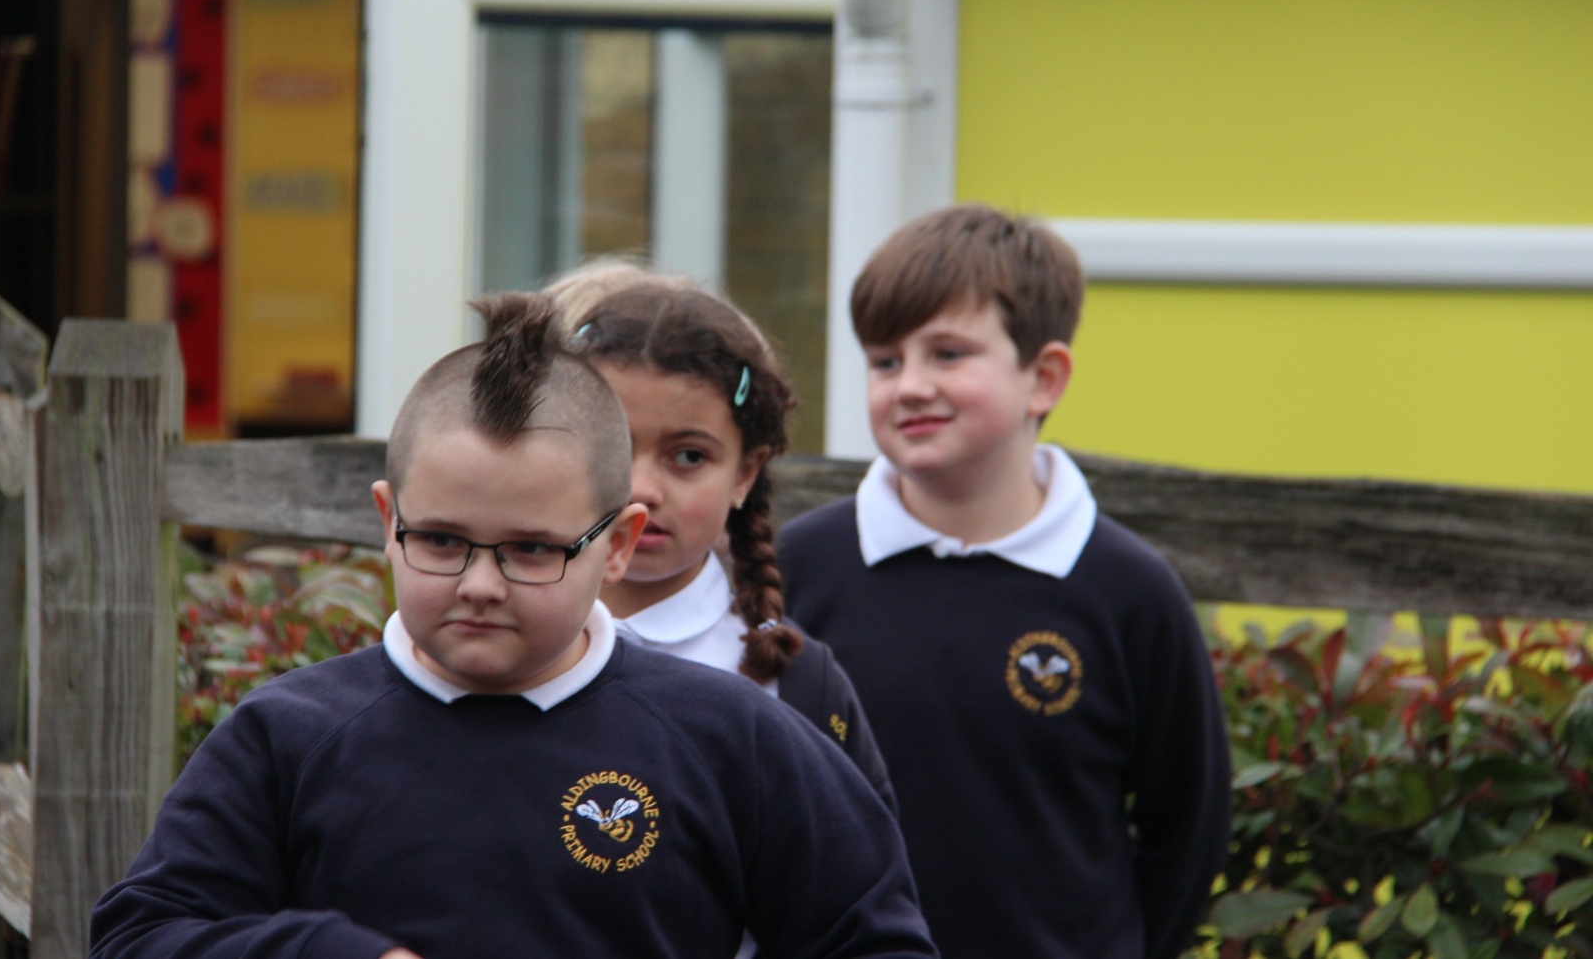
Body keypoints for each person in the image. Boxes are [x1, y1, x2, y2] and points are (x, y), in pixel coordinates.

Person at [90, 292, 937, 959]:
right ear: (388, 521)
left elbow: (874, 940)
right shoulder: (286, 738)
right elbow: (140, 935)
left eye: (533, 550)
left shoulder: (734, 737)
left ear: (617, 544)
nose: (481, 585)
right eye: (441, 541)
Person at [777, 204, 1231, 959]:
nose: (909, 385)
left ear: (1043, 378)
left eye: (948, 354)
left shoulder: (1131, 591)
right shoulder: (799, 566)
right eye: (884, 361)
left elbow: (1189, 826)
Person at [546, 261, 894, 809]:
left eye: (688, 456)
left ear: (745, 473)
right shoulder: (487, 636)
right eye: (612, 446)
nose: (642, 489)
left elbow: (856, 858)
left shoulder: (798, 685)